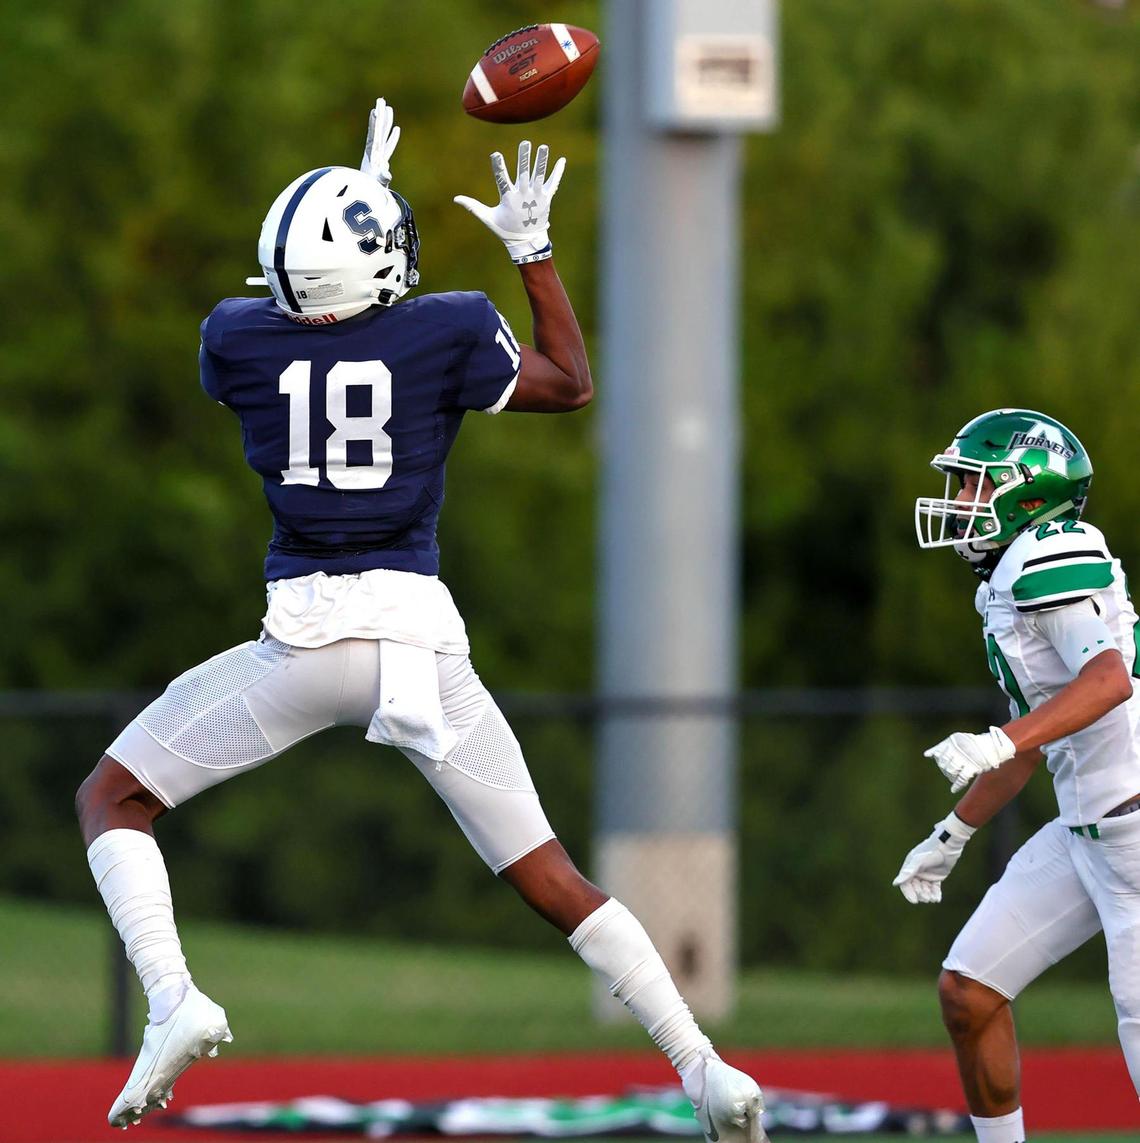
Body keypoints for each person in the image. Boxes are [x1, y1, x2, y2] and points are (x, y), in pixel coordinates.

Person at [75, 99, 767, 1141]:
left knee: (113, 797)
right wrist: (531, 251)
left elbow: (302, 315)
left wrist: (350, 211)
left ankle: (174, 995)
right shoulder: (444, 326)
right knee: (555, 879)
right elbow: (569, 382)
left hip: (305, 644)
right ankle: (704, 1065)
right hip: (424, 647)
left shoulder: (236, 341)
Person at [895, 408, 1140, 1143]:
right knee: (970, 992)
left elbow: (1108, 679)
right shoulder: (1007, 578)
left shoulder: (1049, 553)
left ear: (1026, 493)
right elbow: (1031, 747)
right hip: (1087, 833)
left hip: (1133, 840)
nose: (960, 501)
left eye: (973, 484)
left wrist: (998, 740)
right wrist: (951, 833)